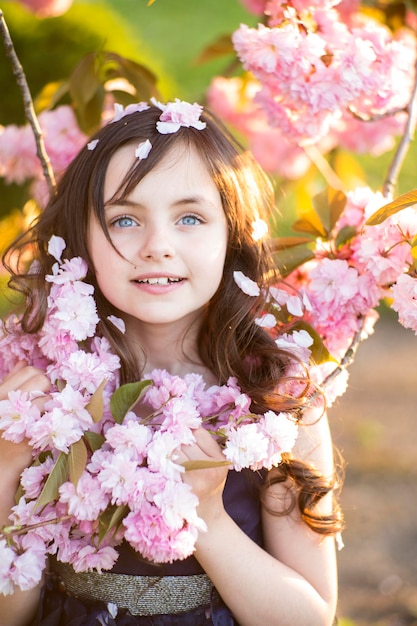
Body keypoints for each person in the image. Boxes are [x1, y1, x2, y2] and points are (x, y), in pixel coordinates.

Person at [0, 99, 343, 626]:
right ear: (82, 237)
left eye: (189, 217)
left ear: (231, 235)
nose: (157, 246)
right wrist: (6, 465)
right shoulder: (37, 387)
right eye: (124, 219)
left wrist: (206, 514)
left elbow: (308, 618)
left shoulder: (276, 398)